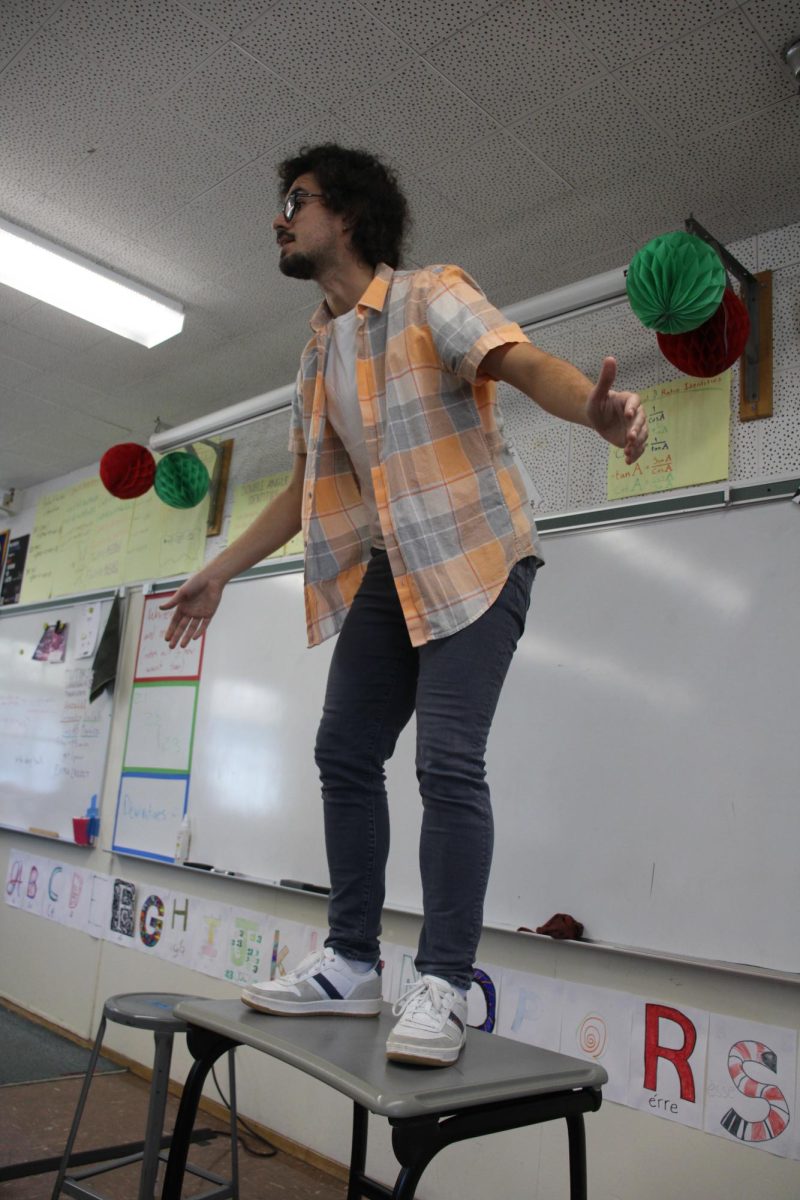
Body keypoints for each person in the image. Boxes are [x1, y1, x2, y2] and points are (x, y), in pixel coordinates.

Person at [162, 144, 648, 1067]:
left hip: (478, 557)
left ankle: (444, 984)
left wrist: (592, 408)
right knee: (343, 748)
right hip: (392, 570)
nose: (279, 216)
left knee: (448, 762)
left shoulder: (429, 295)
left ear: (346, 214)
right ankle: (351, 965)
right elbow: (305, 486)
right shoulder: (314, 352)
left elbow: (519, 360)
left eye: (295, 200)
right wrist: (222, 568)